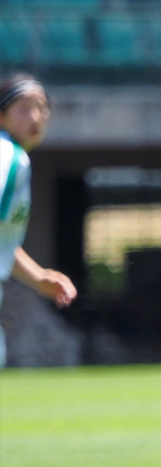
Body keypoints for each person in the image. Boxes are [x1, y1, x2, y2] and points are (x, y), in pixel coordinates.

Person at [0, 74, 77, 367]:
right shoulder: (10, 158)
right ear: (1, 116)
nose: (35, 116)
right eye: (23, 108)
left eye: (42, 107)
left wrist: (39, 277)